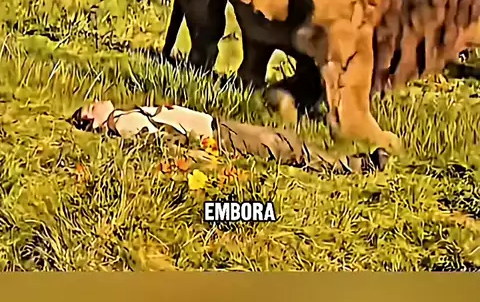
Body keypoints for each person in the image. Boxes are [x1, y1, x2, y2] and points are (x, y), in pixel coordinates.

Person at [69, 99, 389, 174]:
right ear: (93, 122)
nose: (95, 102)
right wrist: (202, 153)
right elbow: (158, 140)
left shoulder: (124, 116)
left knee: (283, 142)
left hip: (217, 128)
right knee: (283, 146)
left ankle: (353, 163)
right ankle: (357, 166)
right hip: (216, 135)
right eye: (90, 108)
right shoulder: (123, 123)